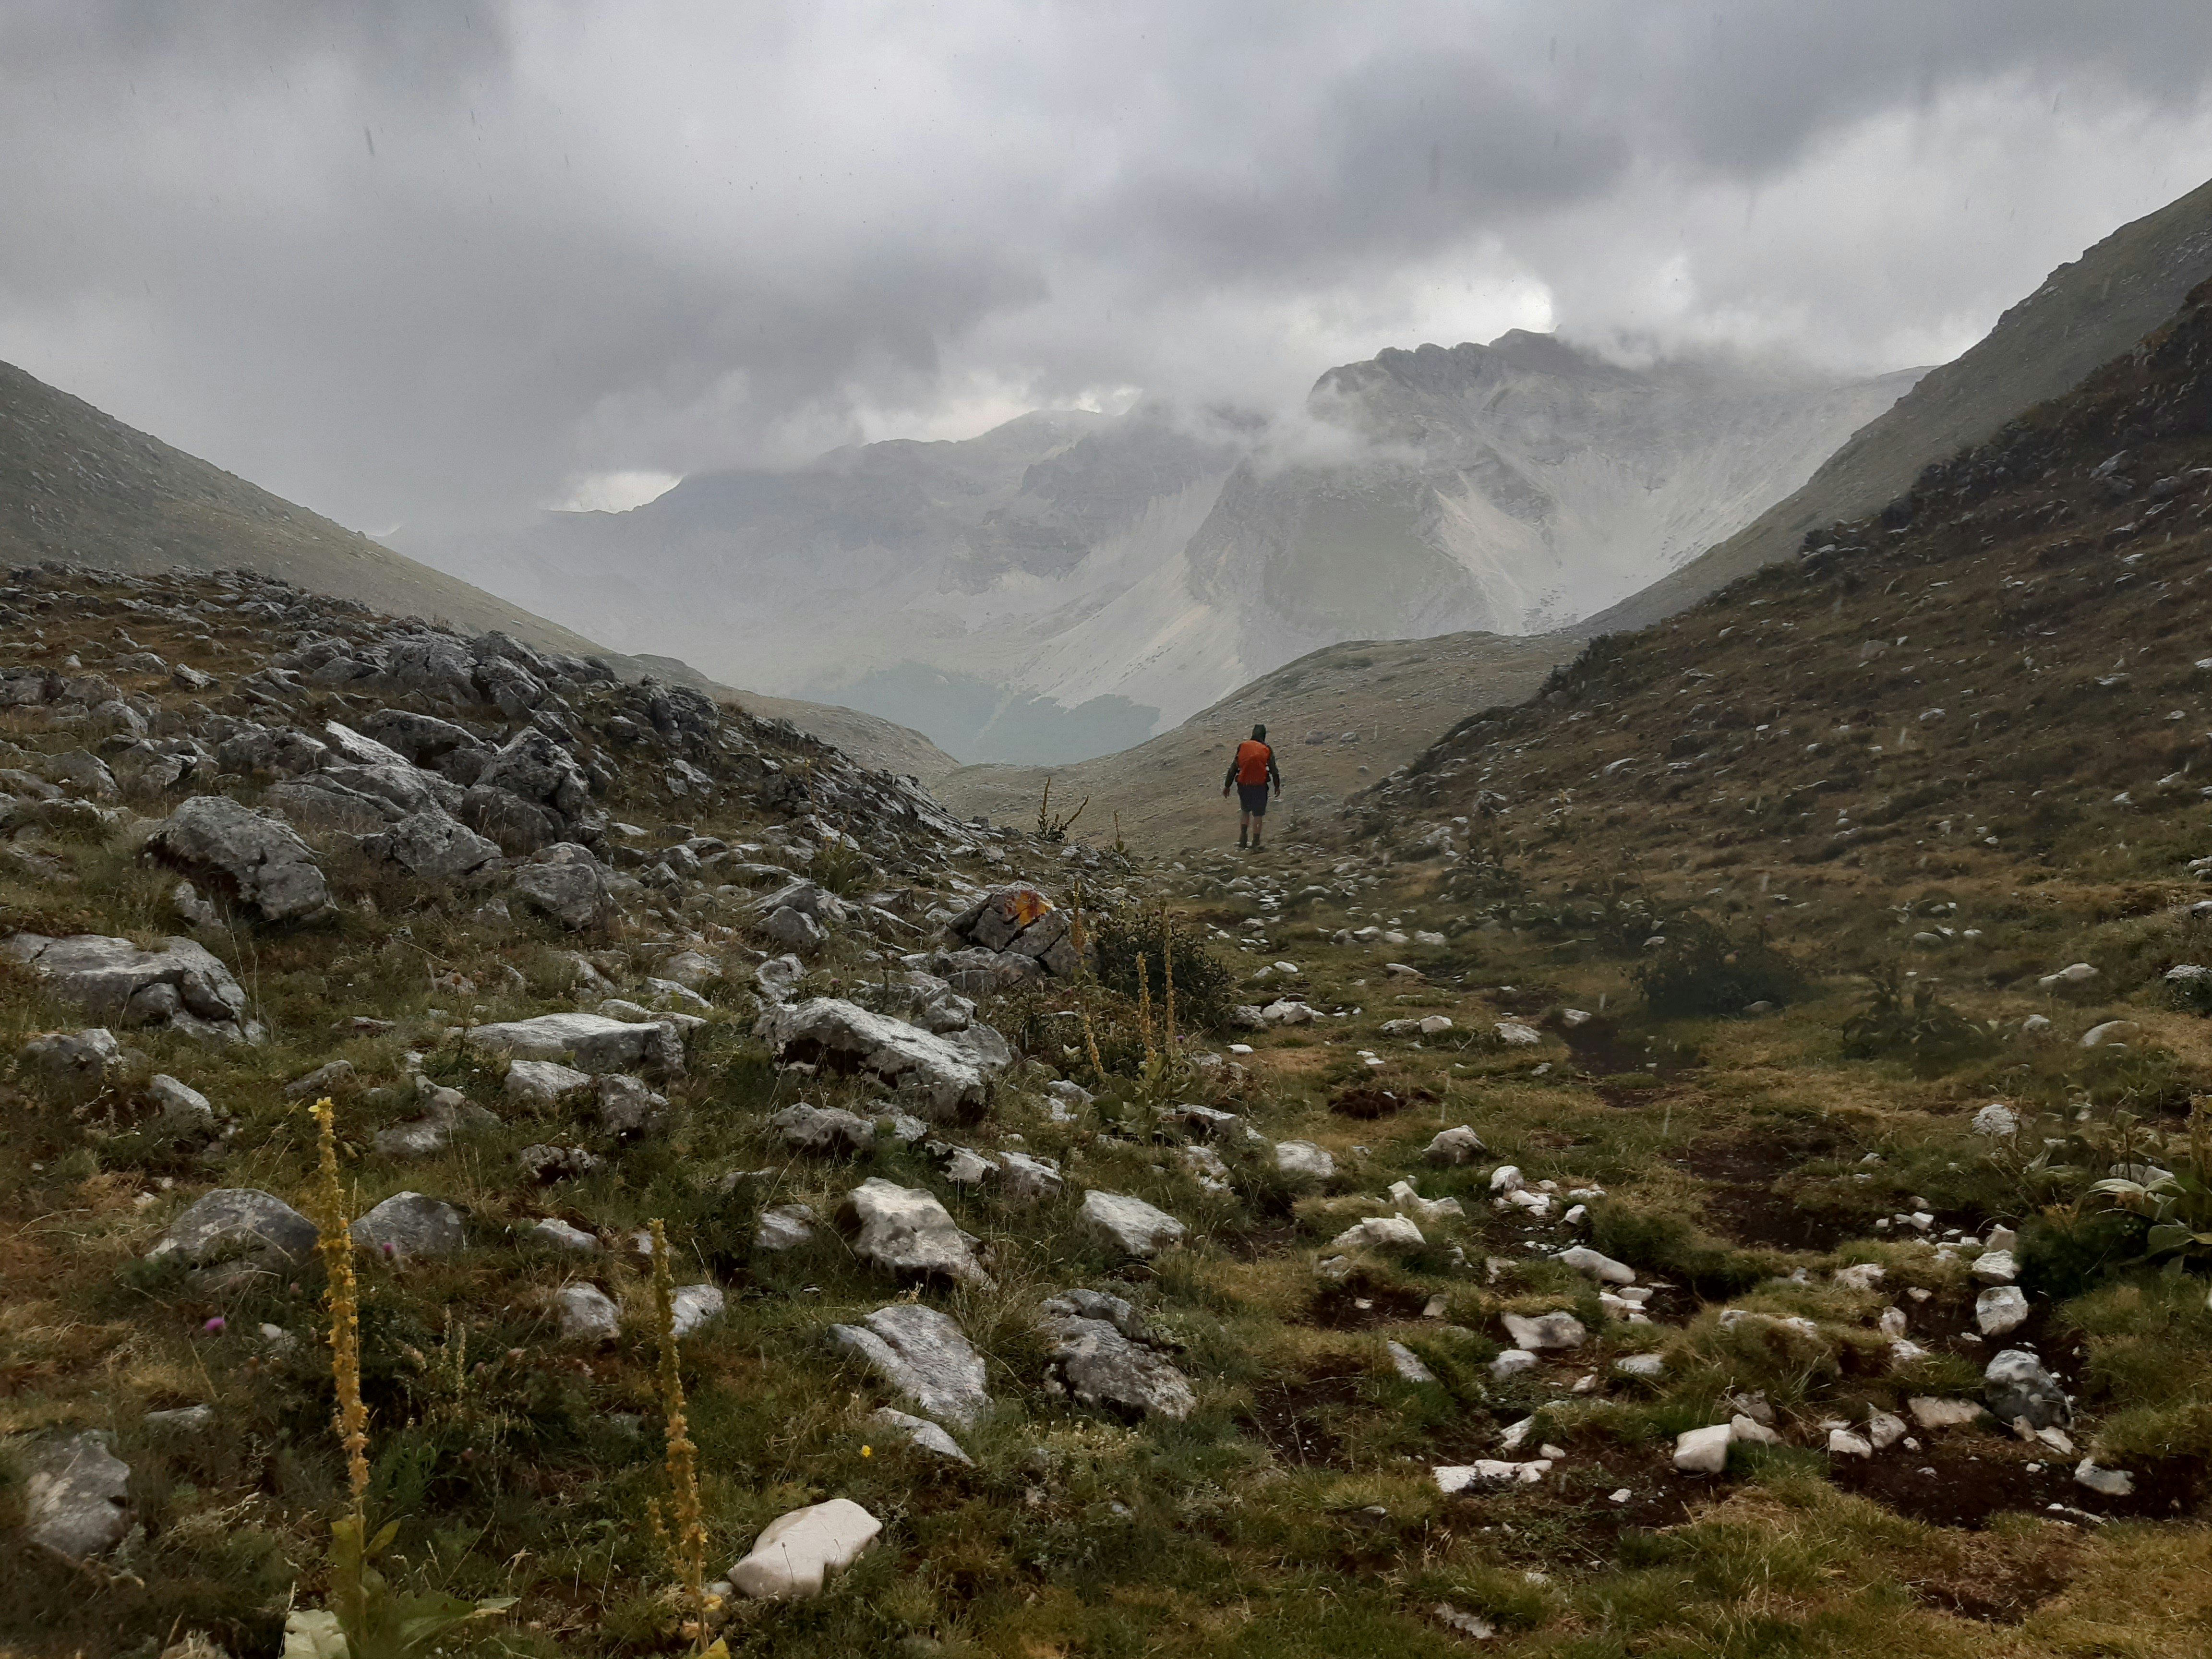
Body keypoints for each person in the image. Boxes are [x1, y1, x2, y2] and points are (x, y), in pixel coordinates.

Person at [1221, 721, 1281, 850]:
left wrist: (1227, 785)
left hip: (1244, 785)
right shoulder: (1267, 750)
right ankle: (1256, 842)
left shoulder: (1243, 746)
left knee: (1245, 811)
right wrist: (1277, 785)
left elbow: (1234, 767)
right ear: (1264, 736)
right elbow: (1274, 770)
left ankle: (1243, 838)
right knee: (1258, 815)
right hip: (1260, 786)